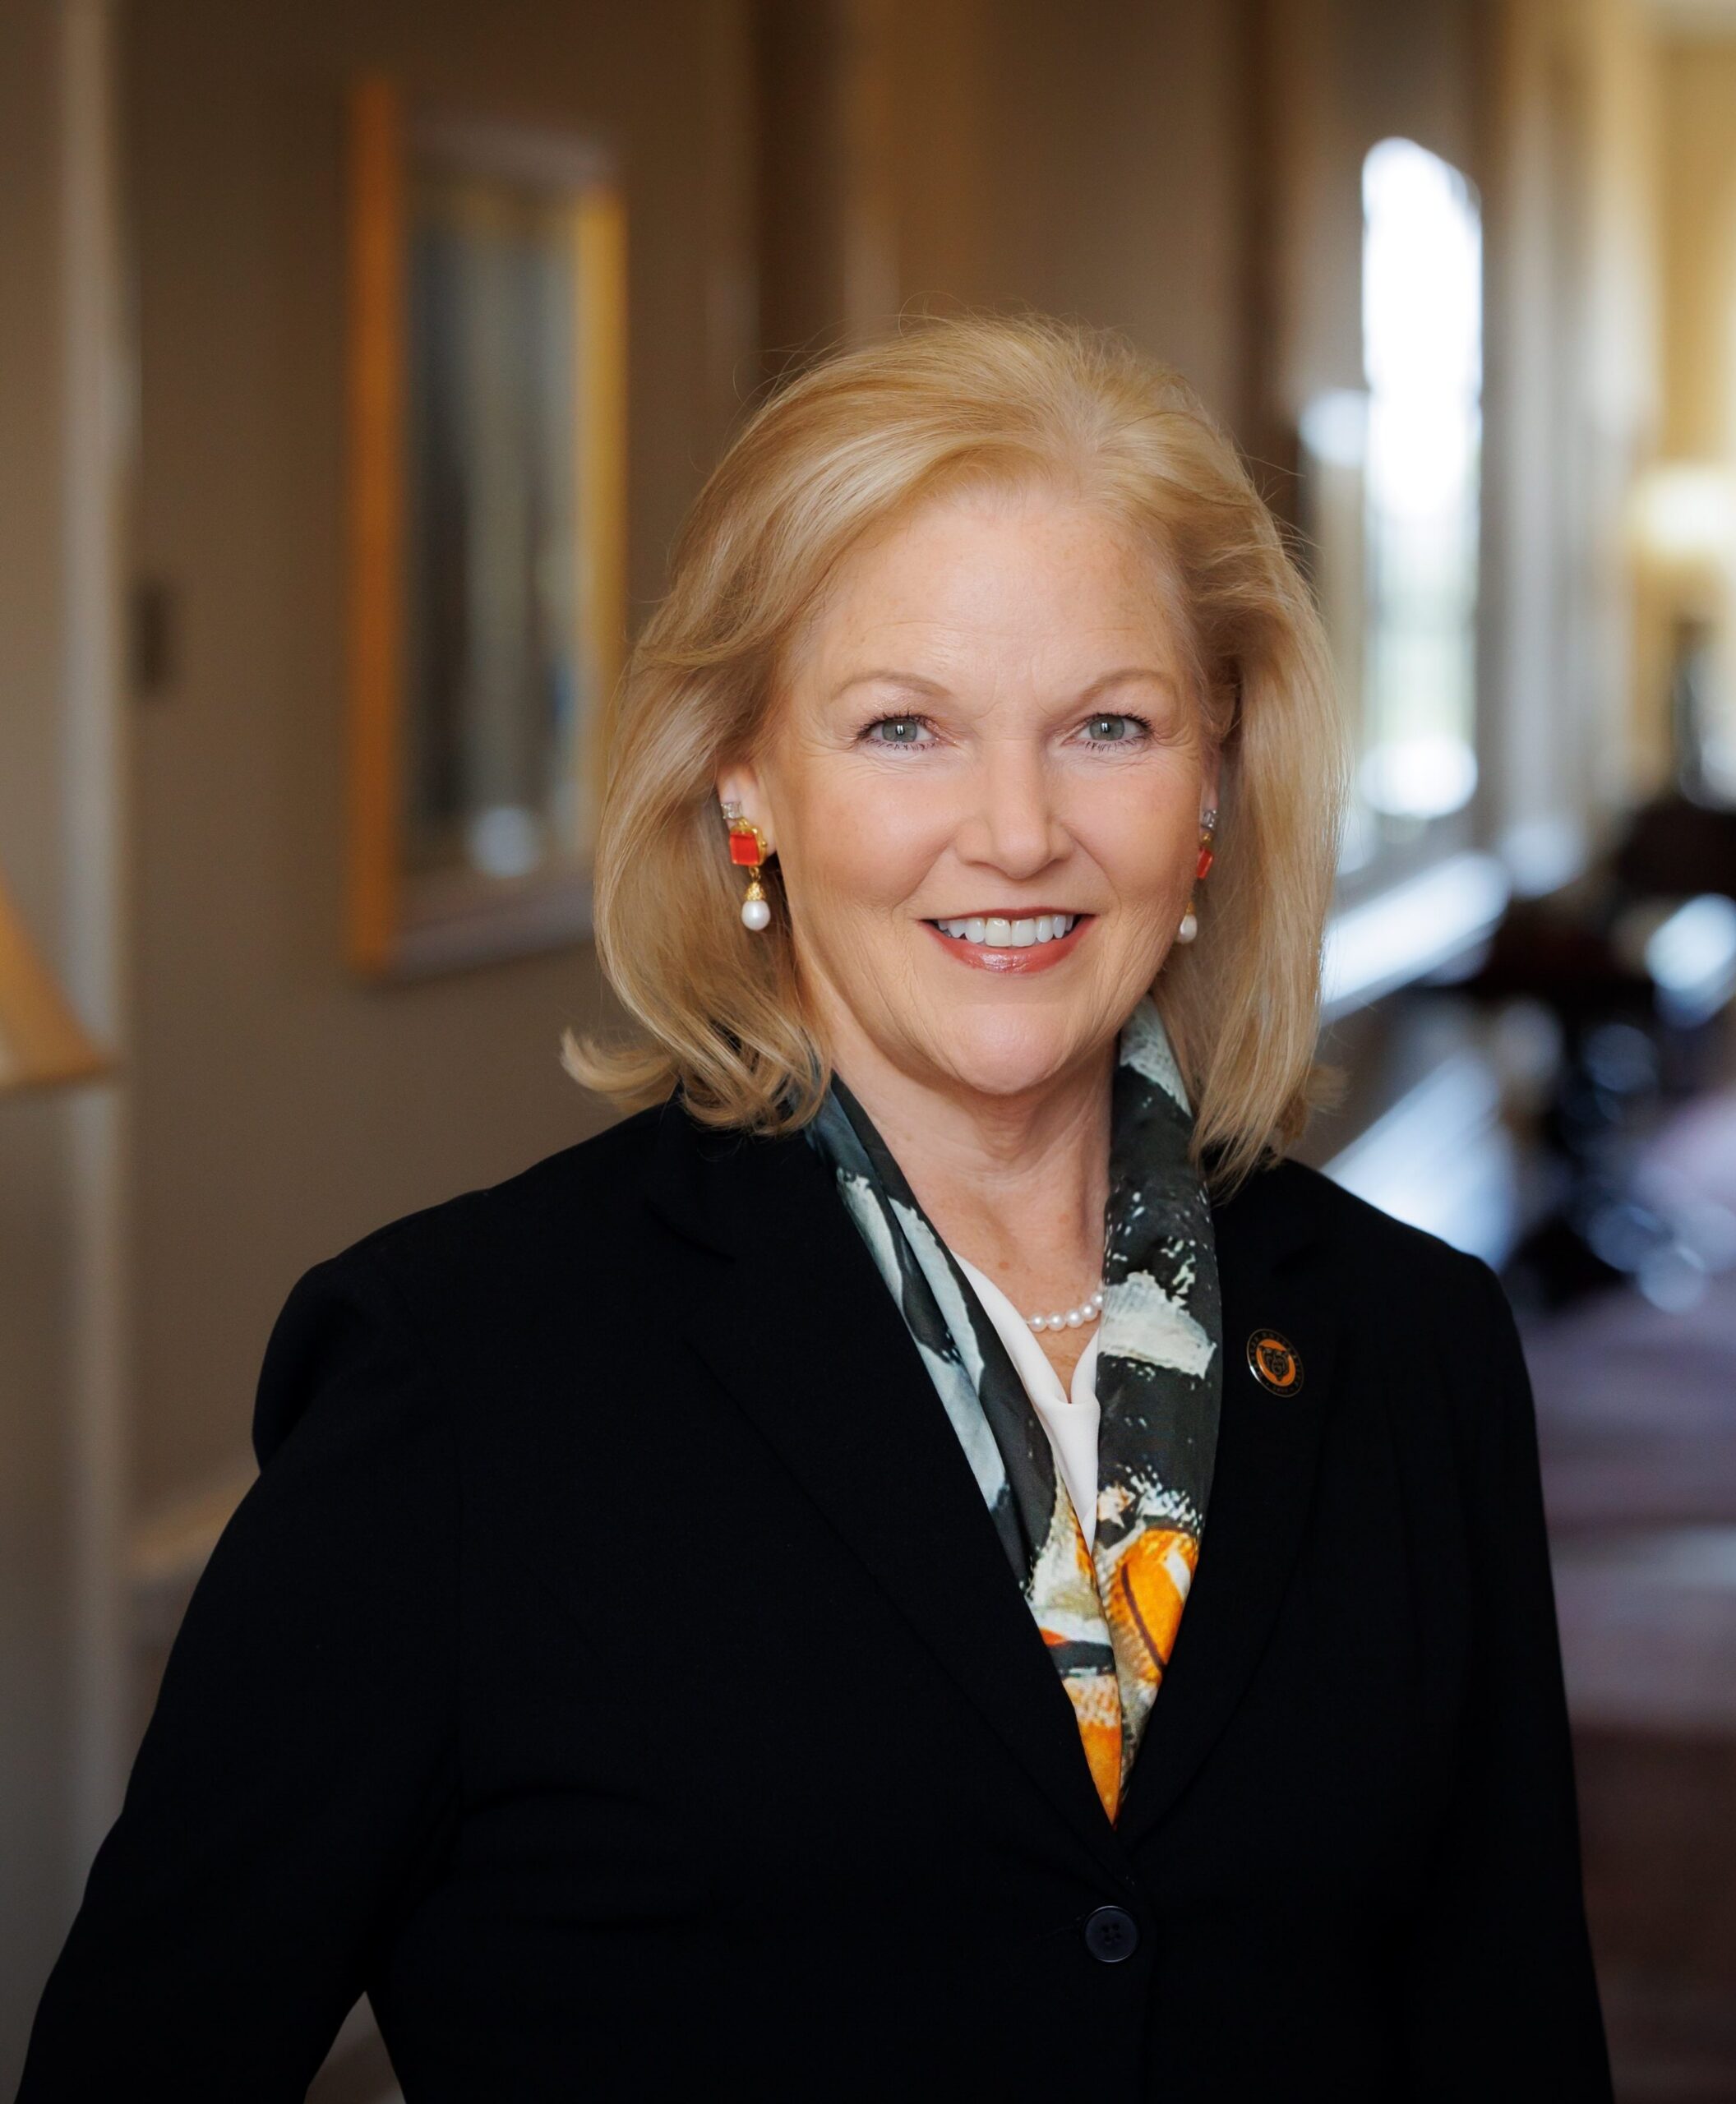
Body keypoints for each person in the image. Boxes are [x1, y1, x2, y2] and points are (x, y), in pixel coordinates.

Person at [18, 316, 1612, 2098]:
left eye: (1106, 723)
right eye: (902, 727)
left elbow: (1509, 2033)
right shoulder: (459, 1377)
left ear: (1215, 781)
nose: (1013, 831)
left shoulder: (1412, 1341)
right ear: (744, 782)